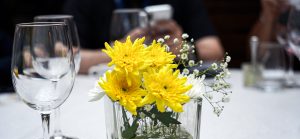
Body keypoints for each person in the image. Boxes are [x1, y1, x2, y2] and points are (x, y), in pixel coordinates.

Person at [63, 0, 224, 74]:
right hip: (108, 89)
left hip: (166, 86)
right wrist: (122, 52)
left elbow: (216, 51)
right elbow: (63, 56)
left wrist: (184, 49)